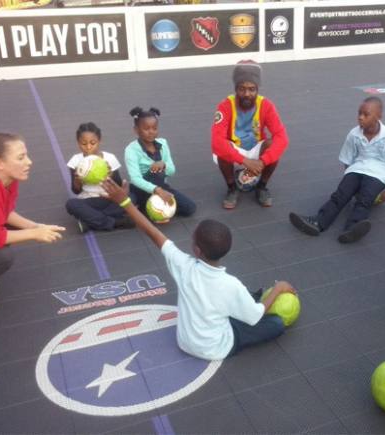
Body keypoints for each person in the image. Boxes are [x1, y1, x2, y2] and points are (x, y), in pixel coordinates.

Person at [100, 177, 296, 360]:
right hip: (217, 347)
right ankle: (254, 299)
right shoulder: (231, 285)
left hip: (185, 342)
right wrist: (279, 288)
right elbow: (255, 317)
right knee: (275, 324)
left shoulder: (183, 265)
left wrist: (124, 202)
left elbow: (152, 232)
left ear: (196, 250)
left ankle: (251, 299)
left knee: (239, 305)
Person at [289, 96, 385, 244]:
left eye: (366, 114)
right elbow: (347, 159)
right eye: (359, 113)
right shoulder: (354, 134)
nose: (360, 118)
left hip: (378, 174)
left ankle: (352, 228)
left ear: (379, 116)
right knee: (340, 195)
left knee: (364, 200)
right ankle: (318, 222)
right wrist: (350, 182)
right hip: (357, 168)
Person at [0, 133, 65, 316]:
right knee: (2, 256)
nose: (29, 162)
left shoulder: (7, 179)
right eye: (21, 157)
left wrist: (34, 226)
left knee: (11, 235)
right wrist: (34, 234)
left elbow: (4, 214)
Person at [211, 60, 289, 209]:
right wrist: (244, 161)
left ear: (257, 88)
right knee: (222, 148)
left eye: (252, 89)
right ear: (235, 88)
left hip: (255, 149)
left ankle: (262, 187)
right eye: (242, 89)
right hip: (236, 150)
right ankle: (232, 188)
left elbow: (282, 137)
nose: (247, 94)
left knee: (273, 145)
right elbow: (216, 141)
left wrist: (263, 161)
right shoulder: (225, 106)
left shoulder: (266, 105)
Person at [124, 107, 196, 220]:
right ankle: (142, 203)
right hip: (141, 189)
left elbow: (172, 171)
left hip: (161, 185)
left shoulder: (163, 143)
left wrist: (164, 165)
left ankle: (145, 207)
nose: (151, 132)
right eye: (146, 129)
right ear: (136, 130)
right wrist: (158, 191)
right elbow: (135, 179)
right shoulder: (131, 149)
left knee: (190, 208)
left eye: (154, 128)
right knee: (155, 174)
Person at [65, 122, 133, 233]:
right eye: (83, 144)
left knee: (132, 196)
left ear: (99, 141)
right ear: (78, 143)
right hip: (88, 200)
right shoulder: (75, 161)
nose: (88, 147)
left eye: (93, 143)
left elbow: (119, 186)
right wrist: (78, 181)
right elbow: (75, 191)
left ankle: (90, 222)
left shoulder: (110, 158)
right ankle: (117, 222)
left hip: (109, 199)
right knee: (71, 204)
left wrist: (110, 177)